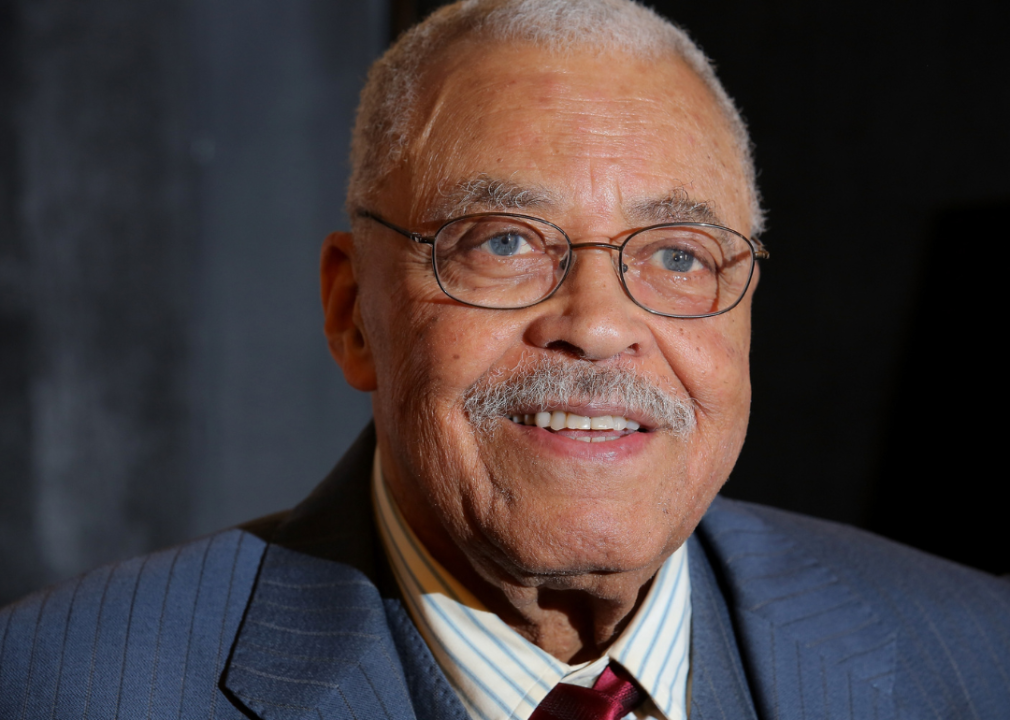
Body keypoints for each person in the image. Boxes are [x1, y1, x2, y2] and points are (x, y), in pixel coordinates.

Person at [2, 1, 1007, 718]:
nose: (599, 324)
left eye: (674, 255)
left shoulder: (975, 656)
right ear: (354, 313)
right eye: (503, 243)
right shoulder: (61, 685)